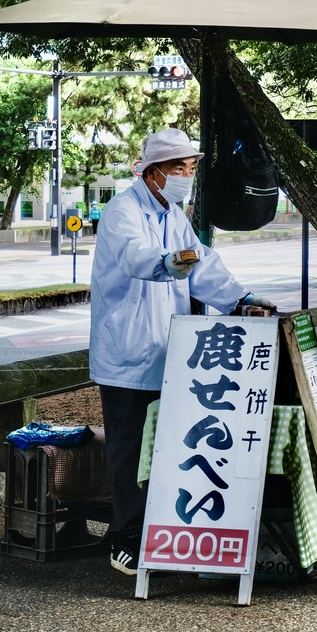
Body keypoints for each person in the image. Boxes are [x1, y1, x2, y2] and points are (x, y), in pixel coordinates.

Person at [89, 127, 275, 578]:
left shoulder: (173, 214)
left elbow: (201, 263)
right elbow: (136, 256)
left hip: (170, 351)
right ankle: (126, 537)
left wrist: (238, 297)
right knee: (129, 446)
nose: (186, 176)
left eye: (191, 168)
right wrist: (167, 263)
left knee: (169, 443)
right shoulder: (123, 210)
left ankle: (161, 530)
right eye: (179, 168)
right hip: (127, 351)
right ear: (152, 173)